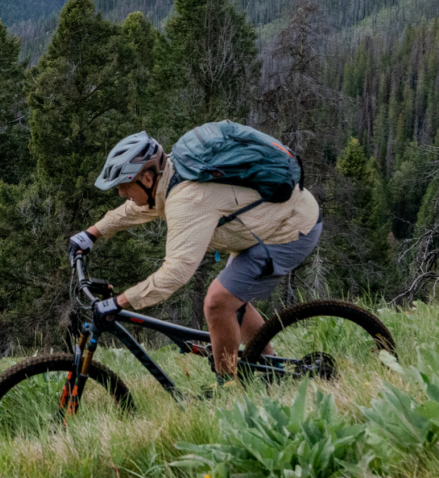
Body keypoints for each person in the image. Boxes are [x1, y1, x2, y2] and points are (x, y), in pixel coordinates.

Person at [67, 130, 321, 378]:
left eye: (123, 185)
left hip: (289, 230)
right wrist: (91, 234)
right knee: (232, 298)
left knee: (217, 302)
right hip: (267, 222)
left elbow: (175, 273)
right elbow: (136, 209)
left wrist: (120, 302)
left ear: (146, 178)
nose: (122, 193)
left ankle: (227, 388)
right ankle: (270, 370)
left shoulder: (186, 201)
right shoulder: (171, 173)